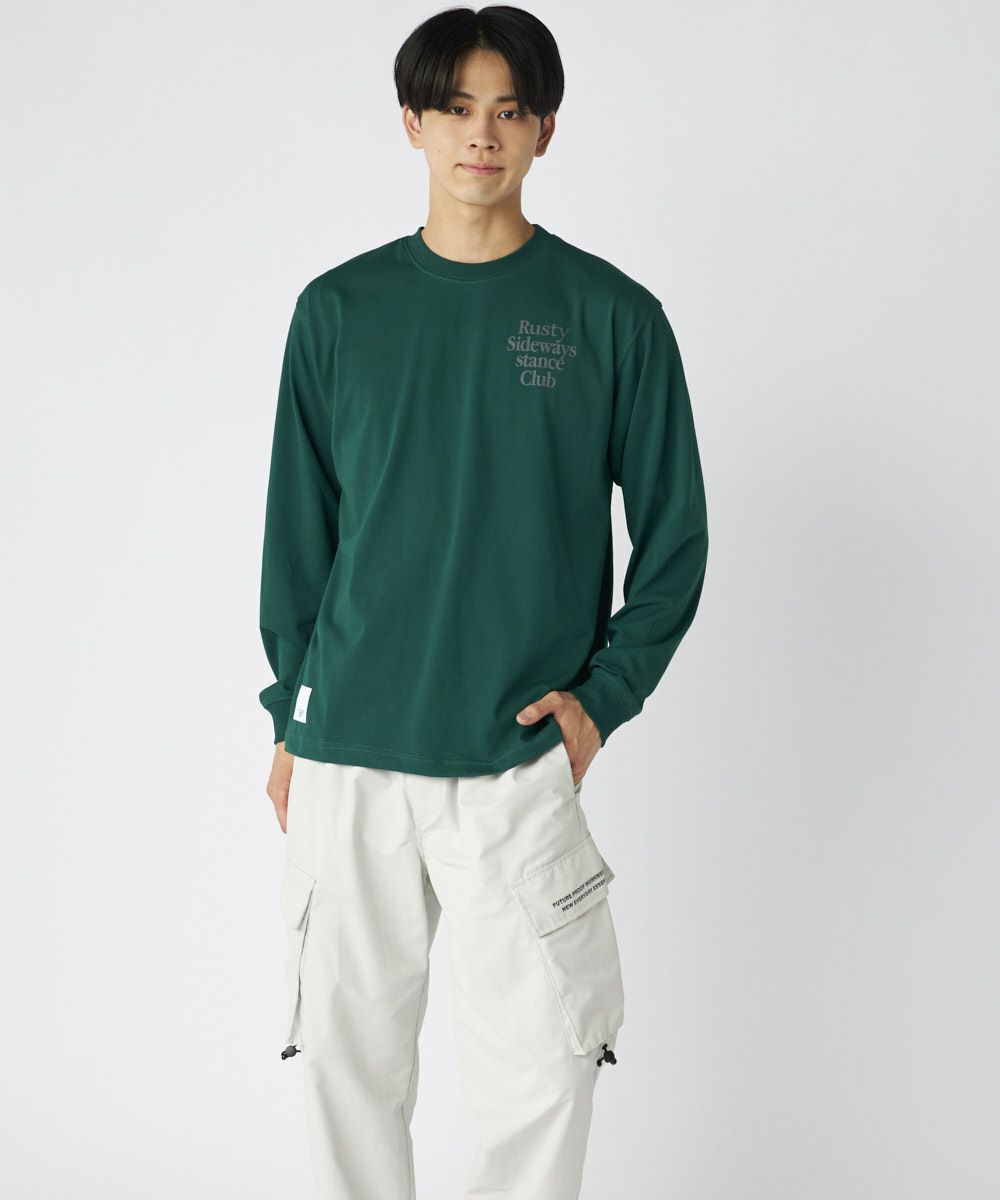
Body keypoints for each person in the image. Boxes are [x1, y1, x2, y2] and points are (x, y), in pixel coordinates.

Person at [258, 6, 709, 1196]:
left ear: (545, 130)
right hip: (349, 756)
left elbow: (675, 543)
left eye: (509, 110)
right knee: (345, 1069)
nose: (481, 135)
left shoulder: (610, 317)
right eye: (455, 108)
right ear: (411, 122)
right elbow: (298, 544)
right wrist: (290, 717)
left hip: (515, 761)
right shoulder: (338, 312)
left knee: (543, 1074)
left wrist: (600, 701)